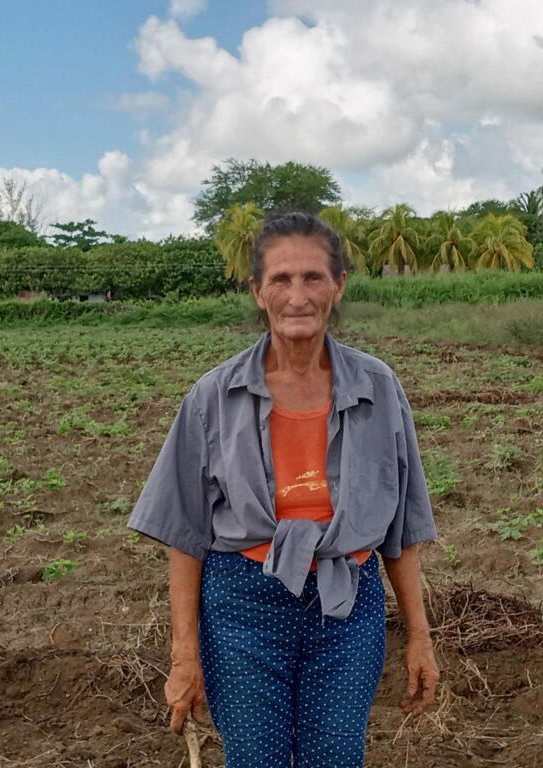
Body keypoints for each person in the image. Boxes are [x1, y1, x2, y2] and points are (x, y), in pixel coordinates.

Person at [128, 211, 439, 767]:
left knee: (335, 759)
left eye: (313, 277)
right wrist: (184, 656)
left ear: (338, 284)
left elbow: (403, 528)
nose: (298, 295)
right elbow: (185, 532)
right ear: (257, 290)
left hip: (347, 606)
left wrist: (420, 635)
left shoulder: (380, 388)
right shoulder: (213, 397)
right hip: (242, 606)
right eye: (281, 279)